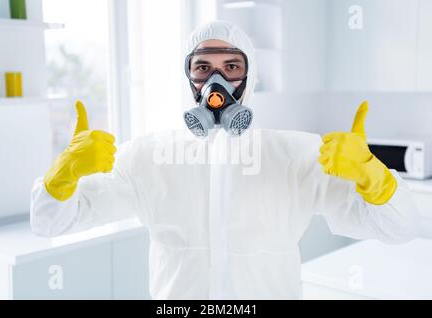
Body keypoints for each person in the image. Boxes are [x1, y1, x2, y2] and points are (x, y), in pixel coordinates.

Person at [30, 21, 419, 299]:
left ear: (250, 78)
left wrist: (373, 176)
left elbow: (401, 228)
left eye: (231, 67)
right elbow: (49, 221)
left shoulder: (295, 154)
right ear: (189, 78)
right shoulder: (148, 156)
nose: (216, 84)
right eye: (203, 68)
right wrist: (63, 173)